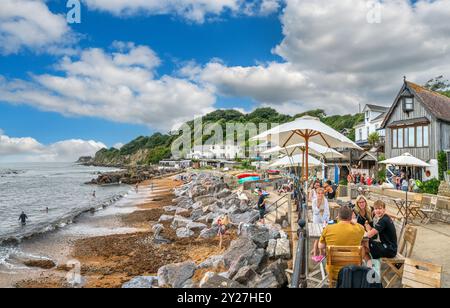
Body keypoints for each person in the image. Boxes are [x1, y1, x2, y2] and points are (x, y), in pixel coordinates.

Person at [318, 206, 365, 281]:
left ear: (338, 216)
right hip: (353, 272)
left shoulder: (328, 228)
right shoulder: (359, 229)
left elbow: (320, 246)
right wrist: (352, 222)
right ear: (351, 217)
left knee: (324, 249)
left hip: (333, 273)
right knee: (362, 246)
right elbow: (362, 227)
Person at [364, 200, 397, 266]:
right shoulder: (385, 218)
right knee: (367, 244)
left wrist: (367, 230)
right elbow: (374, 232)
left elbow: (370, 235)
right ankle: (371, 266)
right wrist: (369, 229)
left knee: (364, 246)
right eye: (376, 209)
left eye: (380, 208)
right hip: (390, 247)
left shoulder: (383, 221)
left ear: (384, 209)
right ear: (374, 210)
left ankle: (371, 268)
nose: (378, 211)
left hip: (390, 250)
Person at [311, 188, 330, 262]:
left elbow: (327, 210)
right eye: (319, 193)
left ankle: (321, 253)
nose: (320, 195)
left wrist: (326, 219)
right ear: (317, 194)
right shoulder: (314, 201)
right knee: (317, 237)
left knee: (323, 236)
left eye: (322, 193)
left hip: (324, 219)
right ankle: (315, 254)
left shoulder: (325, 200)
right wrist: (318, 205)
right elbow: (315, 212)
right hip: (316, 219)